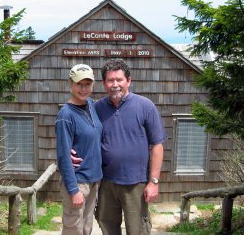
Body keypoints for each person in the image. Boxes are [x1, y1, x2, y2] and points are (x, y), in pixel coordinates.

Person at [73, 59, 167, 235]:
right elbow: (81, 131)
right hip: (106, 182)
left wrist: (153, 182)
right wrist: (70, 150)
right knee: (107, 227)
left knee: (138, 230)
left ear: (128, 81)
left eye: (119, 80)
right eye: (110, 80)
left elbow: (157, 145)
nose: (115, 84)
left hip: (136, 184)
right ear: (104, 83)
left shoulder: (145, 106)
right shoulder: (96, 108)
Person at [55, 64, 103, 235]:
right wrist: (73, 190)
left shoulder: (90, 104)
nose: (84, 89)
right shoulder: (66, 115)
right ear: (70, 84)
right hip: (77, 181)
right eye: (79, 84)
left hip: (93, 180)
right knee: (73, 229)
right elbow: (62, 156)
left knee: (86, 228)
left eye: (87, 84)